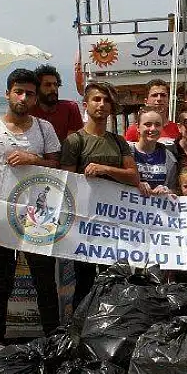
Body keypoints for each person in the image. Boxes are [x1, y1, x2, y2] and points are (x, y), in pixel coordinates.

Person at [0, 68, 62, 352]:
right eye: (18, 92)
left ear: (36, 97)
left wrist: (32, 158)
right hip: (1, 216)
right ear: (8, 93)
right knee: (0, 281)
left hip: (39, 217)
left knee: (45, 281)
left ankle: (51, 338)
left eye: (30, 93)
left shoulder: (44, 129)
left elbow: (57, 168)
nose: (24, 98)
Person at [62, 81, 139, 304]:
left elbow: (134, 177)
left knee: (113, 280)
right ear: (85, 104)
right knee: (84, 281)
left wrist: (105, 169)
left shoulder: (118, 141)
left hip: (114, 224)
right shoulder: (74, 141)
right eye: (96, 99)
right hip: (84, 225)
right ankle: (79, 330)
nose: (102, 104)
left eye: (106, 101)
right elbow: (67, 184)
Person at [31, 64, 84, 144]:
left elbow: (72, 144)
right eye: (47, 85)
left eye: (55, 85)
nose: (53, 89)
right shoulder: (30, 110)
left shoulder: (70, 108)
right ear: (37, 88)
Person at [131, 106, 178, 196]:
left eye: (157, 125)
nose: (153, 129)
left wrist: (167, 190)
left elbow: (174, 189)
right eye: (148, 124)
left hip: (156, 209)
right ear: (137, 127)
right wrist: (136, 185)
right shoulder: (126, 153)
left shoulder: (170, 158)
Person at [124, 79, 179, 144]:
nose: (159, 99)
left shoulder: (177, 129)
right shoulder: (134, 130)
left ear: (168, 100)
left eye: (163, 95)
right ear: (145, 102)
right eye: (154, 95)